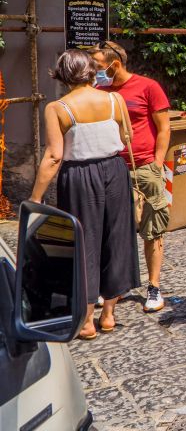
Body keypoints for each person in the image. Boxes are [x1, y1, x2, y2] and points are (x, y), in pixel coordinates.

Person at [30, 50, 140, 339]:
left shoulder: (58, 108)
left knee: (84, 242)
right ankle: (109, 315)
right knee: (116, 238)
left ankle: (87, 320)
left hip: (79, 175)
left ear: (62, 75)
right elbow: (126, 138)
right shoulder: (115, 99)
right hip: (115, 170)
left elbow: (54, 156)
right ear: (92, 72)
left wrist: (36, 197)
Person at [91, 40, 171, 313]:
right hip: (112, 167)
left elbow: (164, 128)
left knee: (152, 229)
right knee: (112, 231)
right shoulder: (99, 91)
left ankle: (154, 287)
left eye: (99, 66)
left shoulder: (148, 87)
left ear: (115, 64)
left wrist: (158, 163)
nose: (95, 71)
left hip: (145, 167)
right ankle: (115, 286)